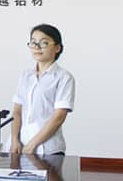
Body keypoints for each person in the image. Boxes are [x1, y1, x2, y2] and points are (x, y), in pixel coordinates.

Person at [9, 23, 75, 155]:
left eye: (44, 43)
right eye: (33, 43)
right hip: (20, 146)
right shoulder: (25, 76)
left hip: (48, 148)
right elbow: (17, 111)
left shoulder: (64, 77)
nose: (37, 47)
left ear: (57, 48)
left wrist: (33, 144)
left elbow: (59, 116)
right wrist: (14, 139)